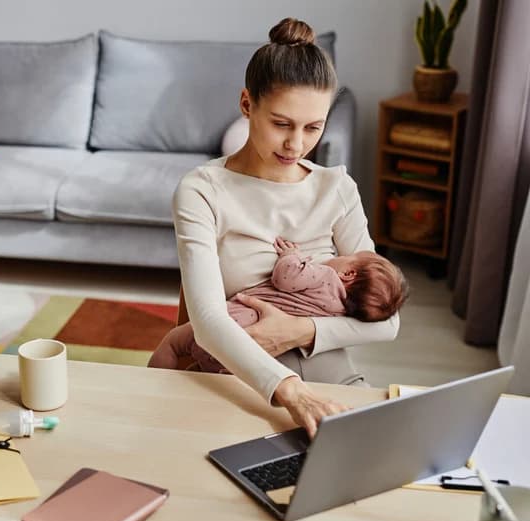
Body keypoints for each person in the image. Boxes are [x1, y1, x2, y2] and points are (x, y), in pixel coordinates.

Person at [149, 17, 400, 437]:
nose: (296, 144)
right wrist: (289, 390)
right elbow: (208, 321)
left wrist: (300, 331)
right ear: (247, 105)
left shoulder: (336, 188)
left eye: (313, 127)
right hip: (240, 384)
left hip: (332, 379)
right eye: (281, 123)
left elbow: (388, 322)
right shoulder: (203, 190)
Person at [150, 237, 408, 373]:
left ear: (348, 274)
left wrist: (290, 255)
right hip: (250, 356)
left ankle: (150, 388)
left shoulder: (326, 276)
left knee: (174, 341)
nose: (336, 257)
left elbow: (285, 278)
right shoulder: (337, 312)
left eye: (346, 257)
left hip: (235, 322)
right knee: (204, 369)